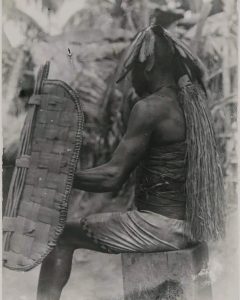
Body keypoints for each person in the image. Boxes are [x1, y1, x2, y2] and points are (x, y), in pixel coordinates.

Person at [37, 25, 225, 300]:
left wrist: (62, 175)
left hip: (162, 228)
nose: (130, 81)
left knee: (61, 236)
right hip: (190, 227)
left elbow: (113, 177)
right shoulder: (191, 102)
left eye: (132, 72)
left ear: (147, 67)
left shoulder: (150, 108)